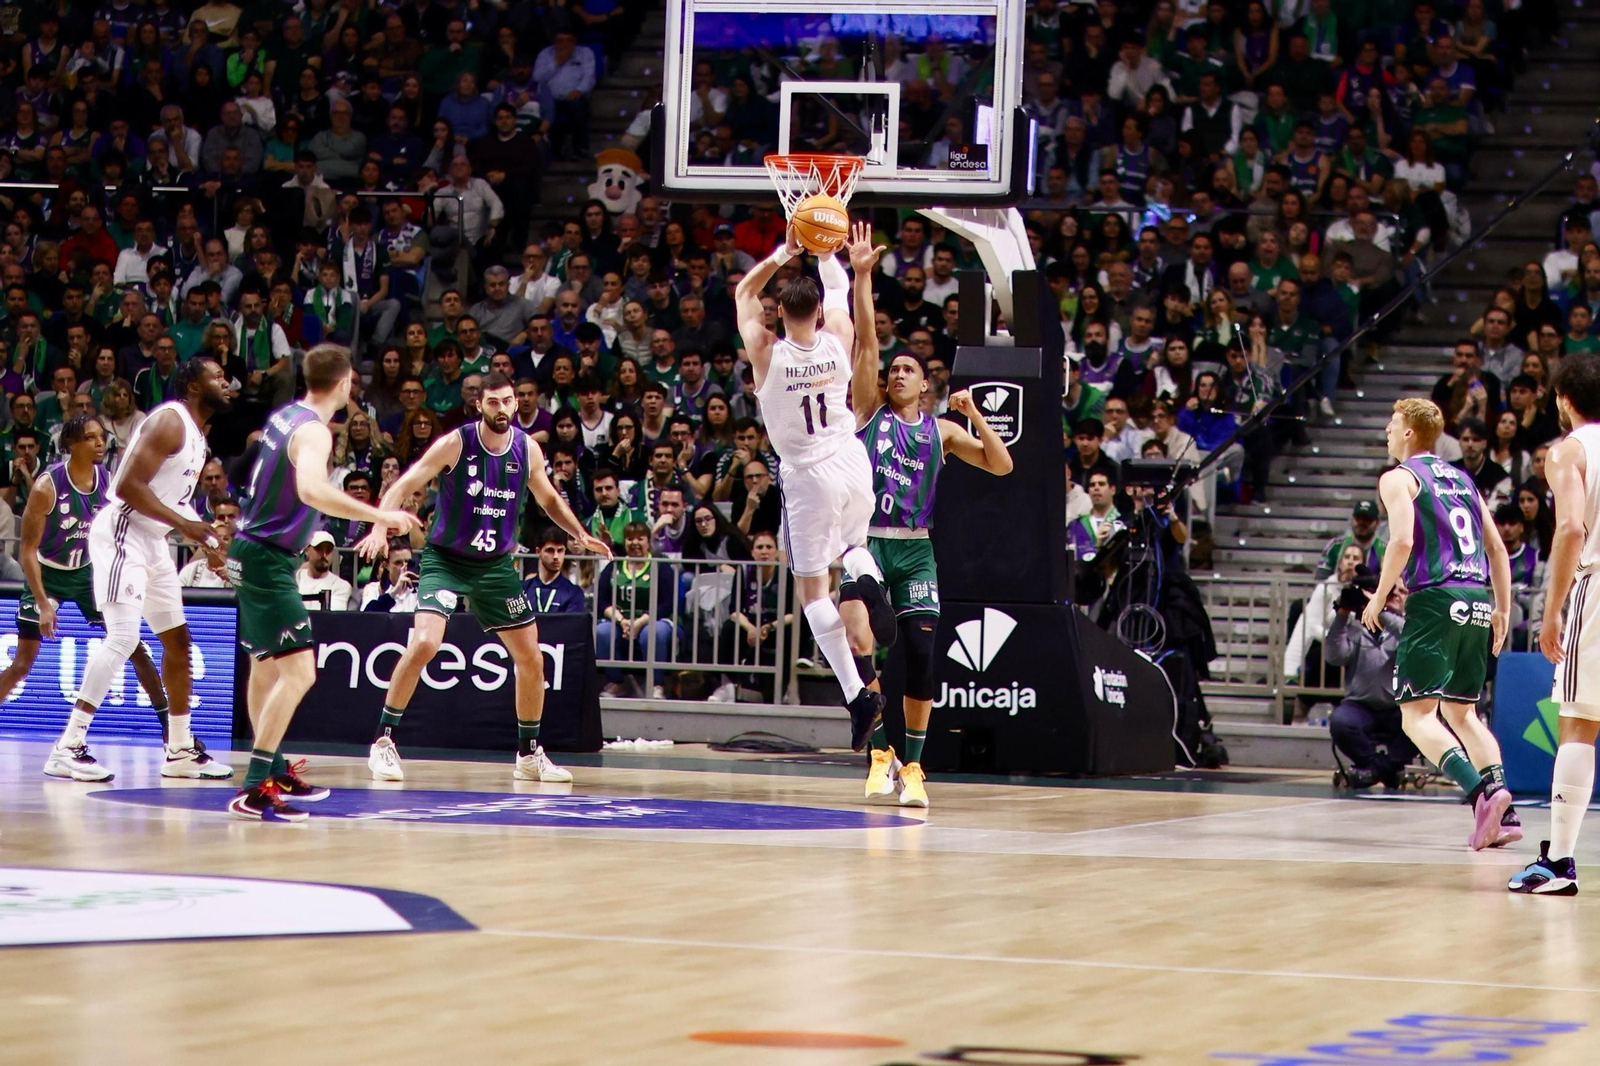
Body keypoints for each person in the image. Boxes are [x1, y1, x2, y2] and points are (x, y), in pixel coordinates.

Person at [357, 371, 612, 783]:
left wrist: (579, 533)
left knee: (531, 658)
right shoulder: (456, 443)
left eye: (508, 401)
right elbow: (403, 484)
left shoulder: (527, 449)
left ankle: (529, 755)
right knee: (425, 642)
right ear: (479, 404)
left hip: (495, 566)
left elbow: (547, 496)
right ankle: (383, 743)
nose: (502, 409)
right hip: (447, 559)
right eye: (493, 402)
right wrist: (378, 528)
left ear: (516, 403)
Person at [225, 347, 422, 819]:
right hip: (267, 558)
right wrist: (381, 516)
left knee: (265, 667)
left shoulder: (285, 416)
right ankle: (256, 785)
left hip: (250, 550)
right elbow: (312, 489)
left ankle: (271, 767)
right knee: (300, 673)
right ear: (346, 382)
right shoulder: (312, 430)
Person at [841, 294, 1014, 808]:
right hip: (868, 542)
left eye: (908, 368)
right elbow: (867, 342)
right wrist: (865, 278)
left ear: (924, 385)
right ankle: (879, 753)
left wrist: (975, 414)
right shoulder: (868, 413)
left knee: (920, 656)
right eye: (893, 368)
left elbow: (1002, 465)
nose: (897, 373)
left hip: (915, 551)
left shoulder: (941, 431)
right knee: (860, 646)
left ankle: (914, 766)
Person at [733, 217, 885, 750]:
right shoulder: (839, 338)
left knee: (812, 591)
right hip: (851, 457)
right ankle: (867, 581)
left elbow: (743, 291)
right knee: (857, 545)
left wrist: (784, 250)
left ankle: (856, 694)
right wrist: (826, 251)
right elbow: (843, 288)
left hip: (807, 476)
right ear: (818, 311)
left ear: (778, 313)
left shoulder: (766, 352)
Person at [53, 359, 232, 783]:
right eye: (216, 375)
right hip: (123, 532)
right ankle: (68, 745)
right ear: (191, 385)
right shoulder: (170, 421)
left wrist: (206, 540)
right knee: (123, 636)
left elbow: (173, 500)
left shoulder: (198, 435)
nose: (226, 382)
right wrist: (186, 525)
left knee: (178, 640)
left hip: (153, 541)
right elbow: (125, 487)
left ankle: (180, 750)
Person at [19, 415, 211, 779]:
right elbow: (27, 549)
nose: (99, 442)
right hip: (50, 569)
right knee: (25, 663)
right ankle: (70, 744)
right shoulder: (48, 486)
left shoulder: (105, 479)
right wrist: (43, 602)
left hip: (87, 569)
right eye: (89, 437)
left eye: (100, 436)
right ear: (71, 444)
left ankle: (172, 734)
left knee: (138, 643)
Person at [1365, 398, 1517, 852]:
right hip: (1476, 597)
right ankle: (1504, 810)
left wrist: (1378, 596)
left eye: (1392, 425)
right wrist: (1503, 610)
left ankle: (1479, 796)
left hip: (1435, 596)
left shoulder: (1399, 477)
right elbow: (1496, 549)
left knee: (1415, 716)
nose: (1388, 433)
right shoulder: (1464, 479)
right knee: (1463, 713)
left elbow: (1403, 540)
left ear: (1410, 433)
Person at [1512, 357, 1600, 894]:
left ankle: (1560, 864)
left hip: (1599, 581)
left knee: (1577, 723)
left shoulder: (1567, 450)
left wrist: (1551, 611)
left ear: (1564, 400)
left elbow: (1569, 528)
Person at [1327, 569, 1420, 789]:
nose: (1395, 595)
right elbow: (1334, 656)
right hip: (1360, 706)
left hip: (1400, 707)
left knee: (1426, 722)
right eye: (1390, 590)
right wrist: (1342, 614)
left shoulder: (1412, 626)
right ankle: (1383, 771)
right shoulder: (1354, 628)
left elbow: (1408, 637)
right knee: (1340, 722)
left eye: (1402, 591)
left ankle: (1372, 772)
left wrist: (1380, 610)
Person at [523, 527, 586, 613]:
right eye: (550, 550)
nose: (556, 556)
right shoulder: (522, 590)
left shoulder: (574, 593)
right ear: (538, 552)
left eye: (560, 551)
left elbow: (572, 625)